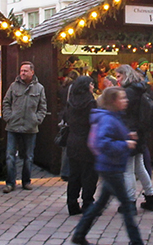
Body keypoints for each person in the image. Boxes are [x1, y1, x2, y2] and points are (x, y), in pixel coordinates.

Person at [71, 86, 144, 245]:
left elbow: (110, 136)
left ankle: (79, 234)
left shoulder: (113, 116)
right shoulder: (108, 118)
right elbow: (102, 142)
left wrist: (126, 136)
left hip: (111, 166)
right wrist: (125, 144)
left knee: (100, 204)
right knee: (126, 206)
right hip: (111, 167)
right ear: (113, 101)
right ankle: (136, 241)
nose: (126, 101)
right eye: (122, 98)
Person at [115, 64, 153, 213]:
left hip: (130, 132)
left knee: (128, 170)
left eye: (119, 76)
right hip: (140, 132)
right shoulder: (142, 88)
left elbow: (126, 114)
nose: (117, 80)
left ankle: (130, 202)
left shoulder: (128, 92)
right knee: (140, 167)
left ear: (125, 75)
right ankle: (150, 197)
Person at [2, 61, 47, 193]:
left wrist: (37, 119)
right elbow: (6, 102)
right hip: (13, 126)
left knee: (28, 156)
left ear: (32, 72)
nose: (22, 73)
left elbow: (42, 107)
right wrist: (8, 117)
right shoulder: (14, 86)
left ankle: (26, 181)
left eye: (25, 71)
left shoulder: (39, 88)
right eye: (21, 70)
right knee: (10, 156)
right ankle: (10, 183)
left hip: (30, 127)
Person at [65, 76, 98, 215]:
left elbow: (66, 118)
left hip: (73, 140)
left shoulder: (70, 101)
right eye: (91, 84)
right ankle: (88, 203)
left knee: (74, 174)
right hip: (88, 141)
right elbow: (94, 121)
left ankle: (72, 203)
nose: (92, 86)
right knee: (89, 175)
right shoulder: (90, 102)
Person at [58, 69, 80, 182]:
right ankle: (67, 172)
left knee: (65, 145)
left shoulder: (63, 86)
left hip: (63, 116)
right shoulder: (73, 88)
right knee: (68, 145)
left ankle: (64, 171)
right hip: (68, 117)